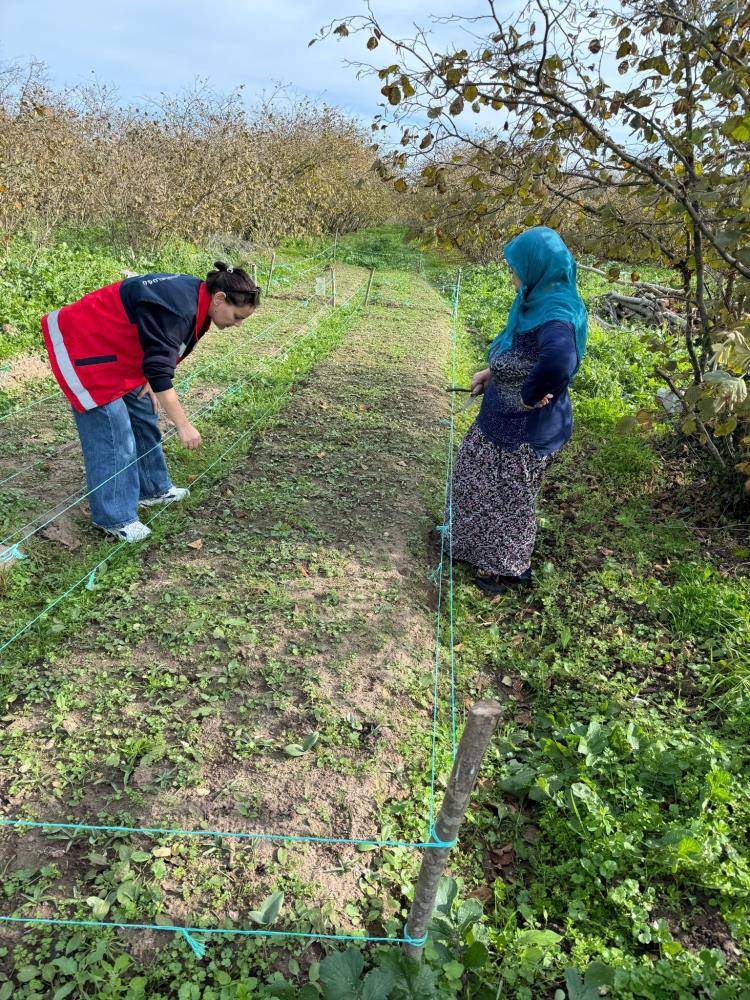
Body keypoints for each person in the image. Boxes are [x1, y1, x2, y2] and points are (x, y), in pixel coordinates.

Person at [41, 262, 260, 542]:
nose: (238, 324)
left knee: (143, 409)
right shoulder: (180, 307)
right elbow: (160, 368)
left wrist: (151, 377)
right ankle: (114, 517)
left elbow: (160, 348)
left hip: (121, 347)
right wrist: (183, 425)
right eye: (237, 316)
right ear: (220, 299)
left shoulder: (199, 299)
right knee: (113, 430)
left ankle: (153, 488)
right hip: (86, 343)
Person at [450, 227, 588, 594]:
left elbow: (559, 361)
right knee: (472, 477)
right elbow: (522, 353)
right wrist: (491, 372)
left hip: (526, 431)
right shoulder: (534, 301)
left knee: (509, 499)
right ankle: (470, 546)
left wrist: (530, 394)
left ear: (536, 266)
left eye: (516, 268)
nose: (513, 275)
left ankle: (503, 570)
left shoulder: (557, 312)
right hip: (498, 419)